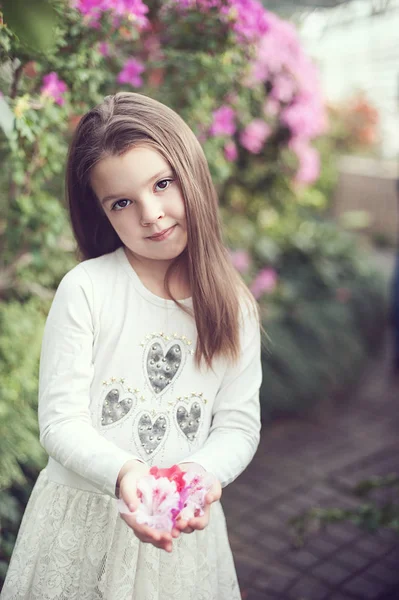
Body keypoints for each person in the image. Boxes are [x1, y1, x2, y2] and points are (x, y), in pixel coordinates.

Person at [1, 92, 263, 600]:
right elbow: (60, 422)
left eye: (163, 184)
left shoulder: (234, 306)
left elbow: (237, 424)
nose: (151, 214)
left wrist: (202, 472)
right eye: (123, 202)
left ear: (191, 173)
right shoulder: (87, 290)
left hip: (182, 536)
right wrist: (125, 473)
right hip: (80, 529)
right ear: (102, 213)